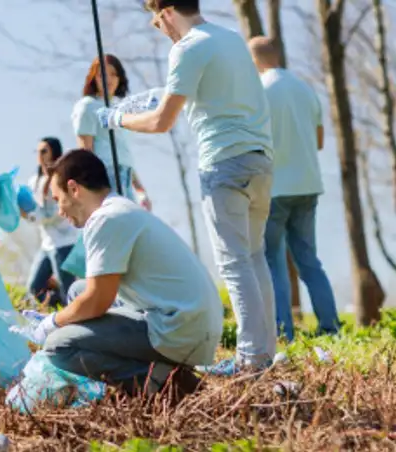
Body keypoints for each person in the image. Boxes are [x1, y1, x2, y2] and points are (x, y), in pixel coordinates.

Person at [97, 0, 277, 376]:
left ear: (166, 12)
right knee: (255, 256)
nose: (156, 28)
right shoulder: (230, 39)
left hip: (224, 163)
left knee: (234, 261)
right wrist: (160, 91)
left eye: (155, 19)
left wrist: (119, 118)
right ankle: (264, 353)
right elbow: (212, 87)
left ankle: (251, 360)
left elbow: (162, 122)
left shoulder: (187, 47)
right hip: (260, 160)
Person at [29, 150, 223, 395]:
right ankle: (158, 368)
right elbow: (91, 293)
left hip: (180, 328)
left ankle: (165, 382)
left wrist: (52, 322)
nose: (59, 211)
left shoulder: (105, 219)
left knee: (59, 346)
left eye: (58, 199)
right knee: (78, 290)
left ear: (74, 188)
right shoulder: (119, 209)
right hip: (190, 320)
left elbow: (98, 301)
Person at [248, 37, 340, 342]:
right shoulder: (305, 89)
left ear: (255, 59)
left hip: (275, 187)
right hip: (308, 186)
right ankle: (330, 329)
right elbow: (319, 141)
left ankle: (283, 333)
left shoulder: (259, 91)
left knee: (273, 261)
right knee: (309, 260)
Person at [72, 55, 151, 208]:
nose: (109, 79)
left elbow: (123, 153)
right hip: (105, 176)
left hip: (125, 177)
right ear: (93, 78)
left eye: (114, 74)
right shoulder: (88, 106)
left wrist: (140, 189)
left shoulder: (120, 110)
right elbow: (85, 152)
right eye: (102, 74)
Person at [22, 137, 78, 307]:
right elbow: (31, 207)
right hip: (46, 244)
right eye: (37, 151)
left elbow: (59, 212)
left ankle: (76, 320)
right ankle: (59, 309)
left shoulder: (63, 177)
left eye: (44, 151)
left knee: (68, 290)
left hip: (64, 242)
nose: (40, 155)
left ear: (55, 152)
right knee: (34, 288)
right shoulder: (34, 181)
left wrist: (32, 216)